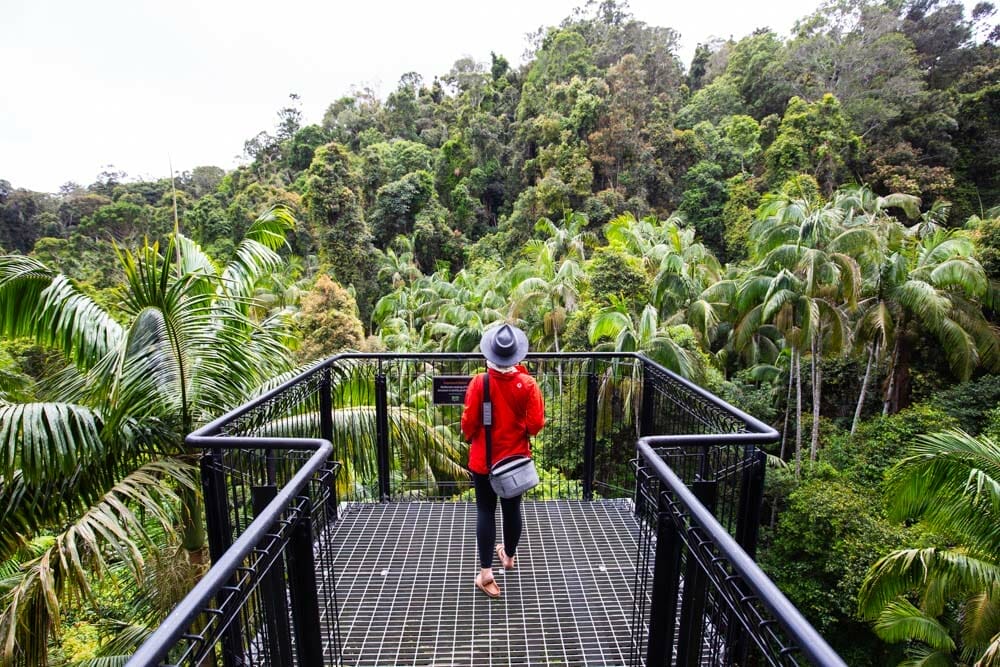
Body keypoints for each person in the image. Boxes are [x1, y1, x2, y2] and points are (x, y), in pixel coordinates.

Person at [461, 323, 545, 599]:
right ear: (516, 357)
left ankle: (486, 574)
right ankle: (508, 557)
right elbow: (535, 425)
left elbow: (469, 424)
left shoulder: (480, 382)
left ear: (490, 355)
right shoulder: (528, 385)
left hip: (484, 461)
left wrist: (472, 436)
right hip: (515, 462)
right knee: (512, 510)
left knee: (485, 511)